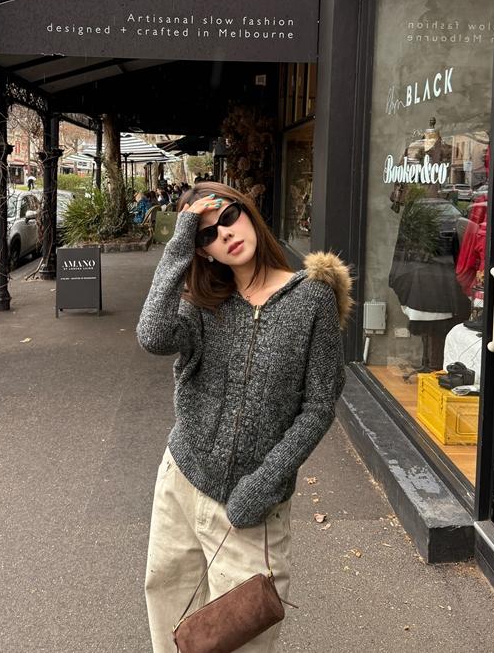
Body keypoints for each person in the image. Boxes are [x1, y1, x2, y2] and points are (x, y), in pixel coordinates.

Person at [137, 182, 350, 652]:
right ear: (202, 250)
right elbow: (152, 335)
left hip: (252, 509)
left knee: (243, 639)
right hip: (181, 484)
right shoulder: (202, 305)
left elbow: (319, 406)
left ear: (248, 211)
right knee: (170, 625)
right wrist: (179, 242)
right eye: (207, 234)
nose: (225, 234)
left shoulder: (312, 299)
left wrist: (264, 483)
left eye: (229, 217)